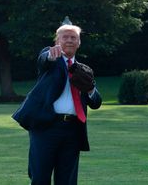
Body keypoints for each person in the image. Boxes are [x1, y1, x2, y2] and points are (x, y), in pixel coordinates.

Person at [12, 22, 102, 185]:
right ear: (57, 41)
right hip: (46, 127)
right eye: (65, 37)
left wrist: (90, 90)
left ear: (79, 42)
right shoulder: (51, 59)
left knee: (67, 180)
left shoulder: (84, 70)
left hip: (73, 130)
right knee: (40, 178)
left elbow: (96, 103)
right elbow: (43, 59)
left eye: (73, 37)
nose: (69, 40)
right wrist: (50, 55)